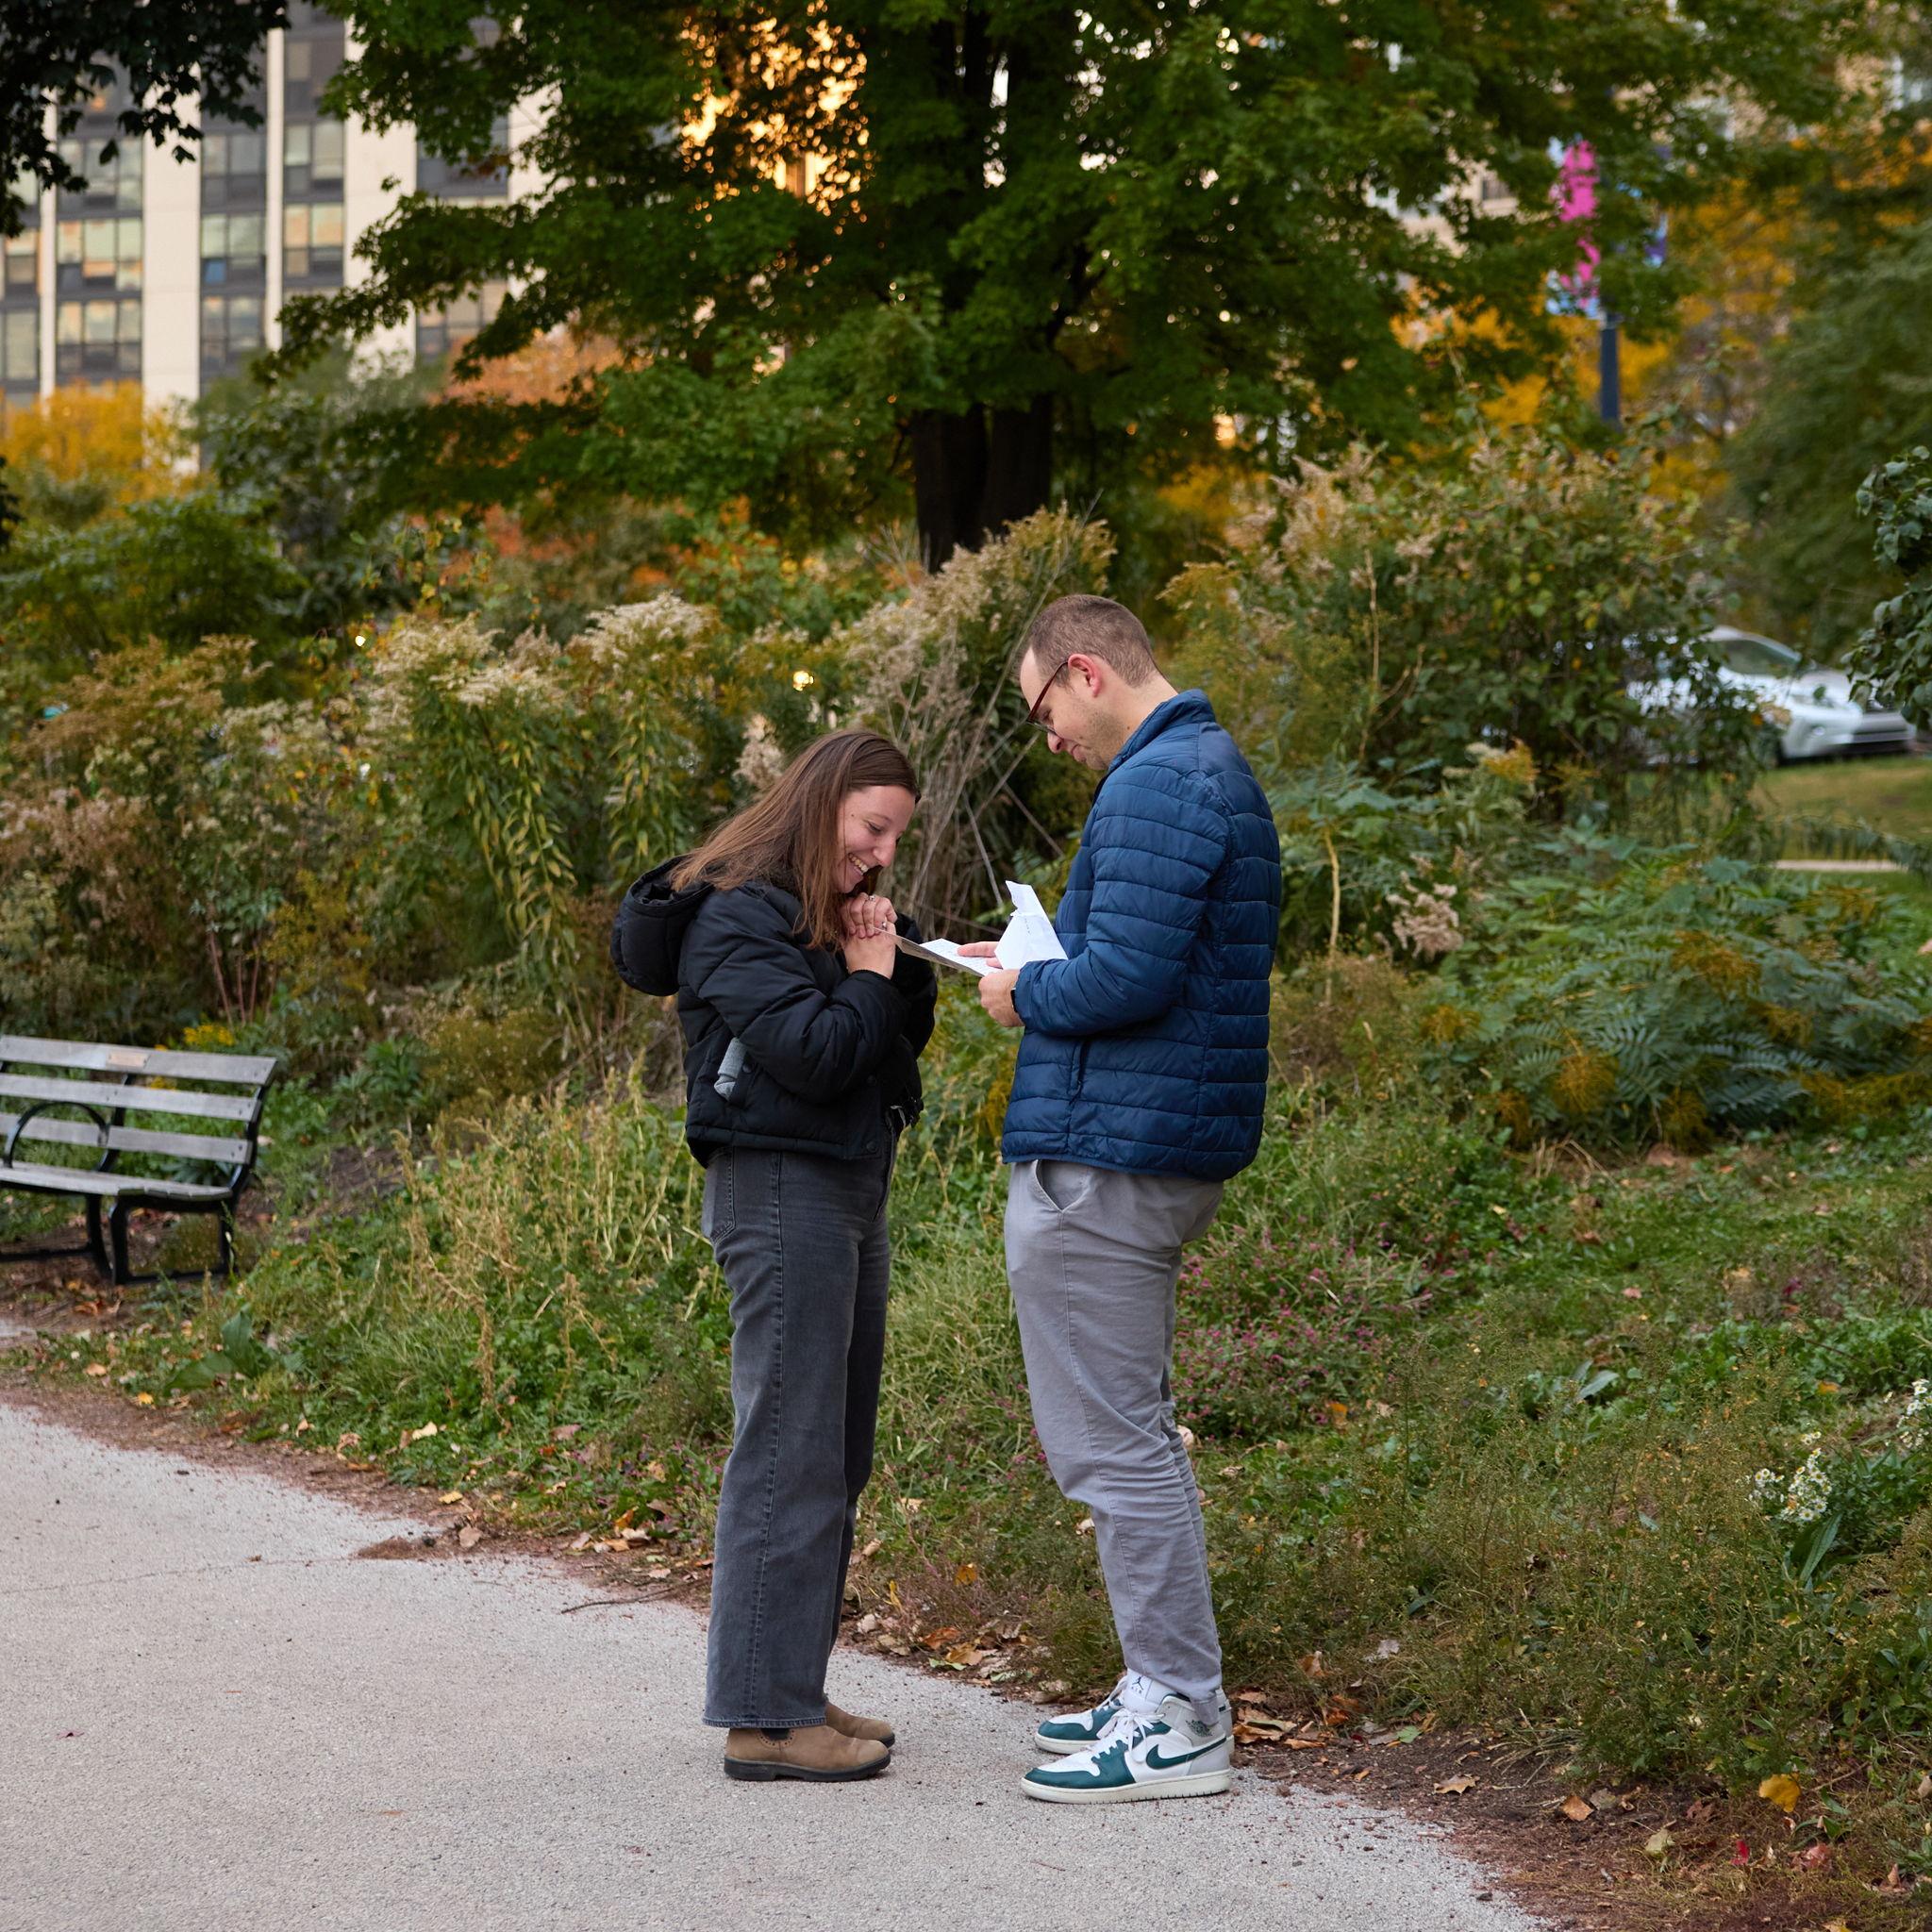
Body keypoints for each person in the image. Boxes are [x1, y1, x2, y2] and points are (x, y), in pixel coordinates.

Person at [969, 594, 1280, 1805]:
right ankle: (1159, 1684)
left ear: (1083, 672)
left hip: (1113, 1152)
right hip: (1141, 1138)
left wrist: (1018, 990)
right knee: (1122, 1432)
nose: (1044, 734)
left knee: (1113, 1446)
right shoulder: (1201, 769)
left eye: (1040, 706)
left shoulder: (1160, 780)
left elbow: (1128, 976)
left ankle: (1179, 1711)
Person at [609, 727, 936, 1783]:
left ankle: (788, 1680)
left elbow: (888, 1031)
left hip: (844, 1179)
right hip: (779, 1184)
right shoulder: (736, 914)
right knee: (788, 1447)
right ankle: (762, 1716)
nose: (882, 853)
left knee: (833, 1449)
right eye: (871, 829)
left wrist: (882, 958)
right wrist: (868, 970)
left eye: (894, 838)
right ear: (822, 800)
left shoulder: (814, 912)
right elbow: (820, 1049)